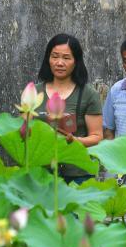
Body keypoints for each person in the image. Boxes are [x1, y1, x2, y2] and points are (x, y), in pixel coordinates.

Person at [34, 33, 103, 183]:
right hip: (41, 172)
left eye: (66, 58)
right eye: (55, 56)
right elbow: (24, 129)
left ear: (76, 61)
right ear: (48, 59)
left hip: (77, 175)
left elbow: (97, 137)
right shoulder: (33, 92)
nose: (59, 63)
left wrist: (75, 140)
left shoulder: (88, 94)